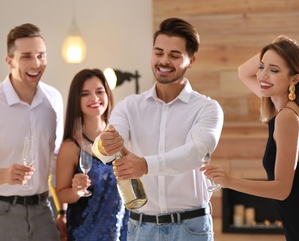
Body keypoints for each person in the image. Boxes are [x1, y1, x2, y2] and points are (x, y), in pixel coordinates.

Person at [92, 17, 224, 241]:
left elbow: (194, 154)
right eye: (158, 52)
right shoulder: (129, 106)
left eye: (174, 55)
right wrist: (104, 145)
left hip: (191, 229)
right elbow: (106, 144)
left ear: (190, 61)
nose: (164, 60)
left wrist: (145, 165)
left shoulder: (207, 108)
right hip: (141, 229)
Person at [201, 35, 299, 240]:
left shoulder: (288, 118)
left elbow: (282, 189)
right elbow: (243, 72)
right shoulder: (282, 108)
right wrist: (279, 45)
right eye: (261, 67)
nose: (262, 76)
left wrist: (229, 181)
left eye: (274, 70)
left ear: (295, 79)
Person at [0, 23, 66, 240]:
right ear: (9, 61)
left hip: (42, 209)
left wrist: (63, 210)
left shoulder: (53, 100)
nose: (36, 63)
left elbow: (55, 158)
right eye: (26, 56)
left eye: (41, 55)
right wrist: (4, 175)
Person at [56, 69, 129, 241]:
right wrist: (77, 191)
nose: (95, 98)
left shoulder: (122, 136)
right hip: (86, 234)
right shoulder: (70, 147)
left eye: (99, 91)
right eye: (85, 94)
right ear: (77, 100)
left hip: (125, 231)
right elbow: (62, 193)